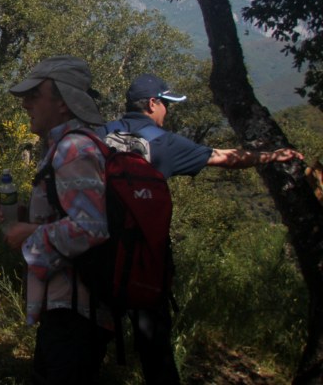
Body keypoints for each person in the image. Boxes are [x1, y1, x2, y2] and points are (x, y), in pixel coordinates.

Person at [96, 73, 304, 385]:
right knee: (156, 350)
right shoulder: (164, 142)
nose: (168, 110)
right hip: (145, 260)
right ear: (152, 104)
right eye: (166, 103)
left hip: (96, 252)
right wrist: (273, 155)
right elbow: (226, 158)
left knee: (90, 338)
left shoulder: (100, 134)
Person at [4, 55, 113, 384]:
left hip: (76, 311)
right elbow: (73, 214)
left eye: (35, 95)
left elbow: (90, 227)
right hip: (70, 307)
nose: (25, 104)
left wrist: (28, 232)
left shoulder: (74, 149)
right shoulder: (66, 146)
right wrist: (30, 217)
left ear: (64, 103)